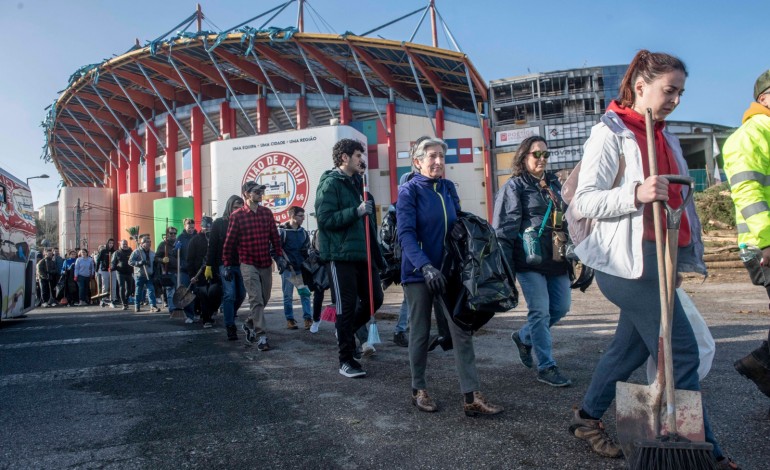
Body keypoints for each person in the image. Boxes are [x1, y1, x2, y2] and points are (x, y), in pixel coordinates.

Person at [567, 50, 739, 469]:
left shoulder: (666, 136)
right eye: (669, 90)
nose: (676, 100)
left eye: (681, 92)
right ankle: (709, 456)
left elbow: (680, 203)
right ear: (641, 86)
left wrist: (679, 260)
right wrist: (636, 193)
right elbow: (585, 200)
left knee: (627, 350)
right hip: (625, 263)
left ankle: (586, 418)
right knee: (681, 352)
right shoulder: (610, 133)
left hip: (660, 257)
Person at [398, 136, 503, 416]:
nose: (438, 161)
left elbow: (456, 217)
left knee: (461, 329)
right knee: (420, 331)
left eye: (441, 156)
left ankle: (471, 396)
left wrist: (460, 226)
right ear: (417, 161)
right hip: (419, 272)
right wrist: (425, 266)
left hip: (449, 271)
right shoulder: (409, 191)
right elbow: (405, 235)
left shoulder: (447, 187)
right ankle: (418, 389)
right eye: (432, 156)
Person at [492, 136, 572, 387]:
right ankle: (546, 366)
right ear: (524, 156)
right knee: (540, 311)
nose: (542, 159)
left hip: (556, 258)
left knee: (561, 308)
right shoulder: (515, 186)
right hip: (528, 260)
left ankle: (524, 337)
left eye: (545, 154)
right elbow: (503, 230)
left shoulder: (554, 184)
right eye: (536, 154)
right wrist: (505, 270)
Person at [315, 138, 384, 378]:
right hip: (340, 254)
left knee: (375, 299)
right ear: (344, 157)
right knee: (345, 306)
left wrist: (378, 256)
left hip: (363, 254)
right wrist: (355, 211)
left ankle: (345, 330)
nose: (361, 159)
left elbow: (369, 225)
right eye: (357, 155)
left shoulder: (358, 183)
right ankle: (346, 360)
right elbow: (324, 218)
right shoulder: (330, 183)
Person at [722, 69, 770, 399]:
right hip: (763, 242)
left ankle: (761, 364)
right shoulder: (749, 136)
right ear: (764, 98)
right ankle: (760, 363)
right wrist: (767, 239)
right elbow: (747, 191)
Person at [222, 182, 285, 351]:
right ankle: (261, 336)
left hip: (265, 262)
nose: (260, 194)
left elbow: (274, 236)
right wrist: (227, 264)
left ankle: (250, 322)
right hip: (247, 262)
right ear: (246, 194)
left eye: (262, 191)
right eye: (257, 191)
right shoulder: (237, 216)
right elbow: (229, 242)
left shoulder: (266, 213)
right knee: (256, 299)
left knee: (264, 298)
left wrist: (279, 256)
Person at [206, 195, 246, 341]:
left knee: (241, 294)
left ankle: (230, 312)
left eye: (240, 207)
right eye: (235, 207)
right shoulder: (219, 223)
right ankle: (230, 326)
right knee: (229, 294)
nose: (238, 210)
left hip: (241, 263)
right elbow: (212, 246)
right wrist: (209, 266)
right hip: (224, 263)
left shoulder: (244, 222)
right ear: (229, 207)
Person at [278, 206, 313, 330]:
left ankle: (308, 319)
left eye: (303, 216)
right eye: (300, 216)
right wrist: (283, 264)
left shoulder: (303, 232)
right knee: (288, 296)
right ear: (292, 216)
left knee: (305, 295)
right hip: (288, 270)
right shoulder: (282, 232)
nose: (303, 218)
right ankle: (290, 320)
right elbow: (275, 251)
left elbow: (307, 250)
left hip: (301, 269)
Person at [188, 216, 217, 328]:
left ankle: (209, 314)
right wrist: (192, 275)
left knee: (214, 295)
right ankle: (206, 319)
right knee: (204, 296)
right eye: (206, 228)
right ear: (202, 227)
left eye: (210, 228)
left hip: (213, 272)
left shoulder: (215, 239)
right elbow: (190, 259)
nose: (208, 230)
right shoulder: (195, 240)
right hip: (199, 273)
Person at [129, 236, 161, 313]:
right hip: (139, 274)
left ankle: (153, 306)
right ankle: (137, 306)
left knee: (151, 290)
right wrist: (139, 263)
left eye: (150, 242)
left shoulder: (152, 253)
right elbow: (130, 262)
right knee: (138, 291)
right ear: (142, 243)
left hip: (149, 275)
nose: (149, 243)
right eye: (147, 242)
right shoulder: (137, 252)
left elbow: (155, 264)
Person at [177, 218, 197, 321]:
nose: (191, 230)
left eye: (192, 227)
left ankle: (197, 312)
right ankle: (189, 315)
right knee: (186, 292)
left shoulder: (197, 236)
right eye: (189, 228)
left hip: (196, 269)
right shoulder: (180, 238)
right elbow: (175, 254)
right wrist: (176, 249)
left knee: (197, 291)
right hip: (184, 269)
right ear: (185, 226)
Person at [111, 239, 134, 310]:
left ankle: (126, 300)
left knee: (130, 289)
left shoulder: (131, 252)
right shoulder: (117, 253)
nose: (125, 245)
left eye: (126, 244)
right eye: (123, 244)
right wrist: (112, 267)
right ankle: (124, 303)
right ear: (120, 245)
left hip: (129, 272)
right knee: (122, 287)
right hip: (120, 272)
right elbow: (113, 262)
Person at [96, 239, 118, 308]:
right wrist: (96, 270)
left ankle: (112, 299)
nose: (111, 244)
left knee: (113, 286)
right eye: (110, 243)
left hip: (113, 271)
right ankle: (104, 300)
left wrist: (114, 267)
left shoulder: (114, 252)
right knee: (105, 286)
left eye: (112, 243)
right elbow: (98, 260)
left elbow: (117, 261)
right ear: (107, 243)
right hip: (105, 270)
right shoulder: (103, 251)